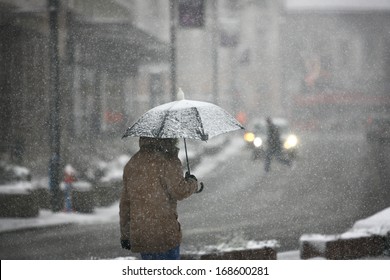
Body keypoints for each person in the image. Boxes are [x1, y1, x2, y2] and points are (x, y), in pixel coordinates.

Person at [119, 137, 199, 260]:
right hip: (165, 233)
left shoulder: (133, 162)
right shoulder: (168, 160)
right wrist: (192, 182)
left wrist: (125, 235)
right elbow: (180, 191)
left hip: (142, 234)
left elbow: (125, 203)